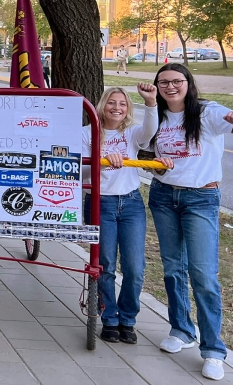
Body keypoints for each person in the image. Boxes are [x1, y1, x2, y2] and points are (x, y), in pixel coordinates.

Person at [148, 64, 232, 380]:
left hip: (201, 199)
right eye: (163, 82)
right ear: (157, 86)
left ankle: (213, 350)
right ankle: (182, 329)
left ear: (188, 83)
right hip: (163, 196)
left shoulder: (208, 112)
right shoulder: (155, 115)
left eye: (176, 81)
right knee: (172, 268)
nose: (170, 86)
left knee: (203, 274)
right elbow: (150, 156)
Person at [83, 85, 166, 345]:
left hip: (130, 203)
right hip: (101, 202)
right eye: (111, 102)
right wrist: (102, 159)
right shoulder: (88, 134)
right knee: (105, 264)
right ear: (102, 105)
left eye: (122, 103)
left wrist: (151, 101)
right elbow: (81, 175)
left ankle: (128, 318)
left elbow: (149, 132)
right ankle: (109, 318)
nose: (116, 108)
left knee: (135, 267)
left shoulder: (131, 133)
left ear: (128, 109)